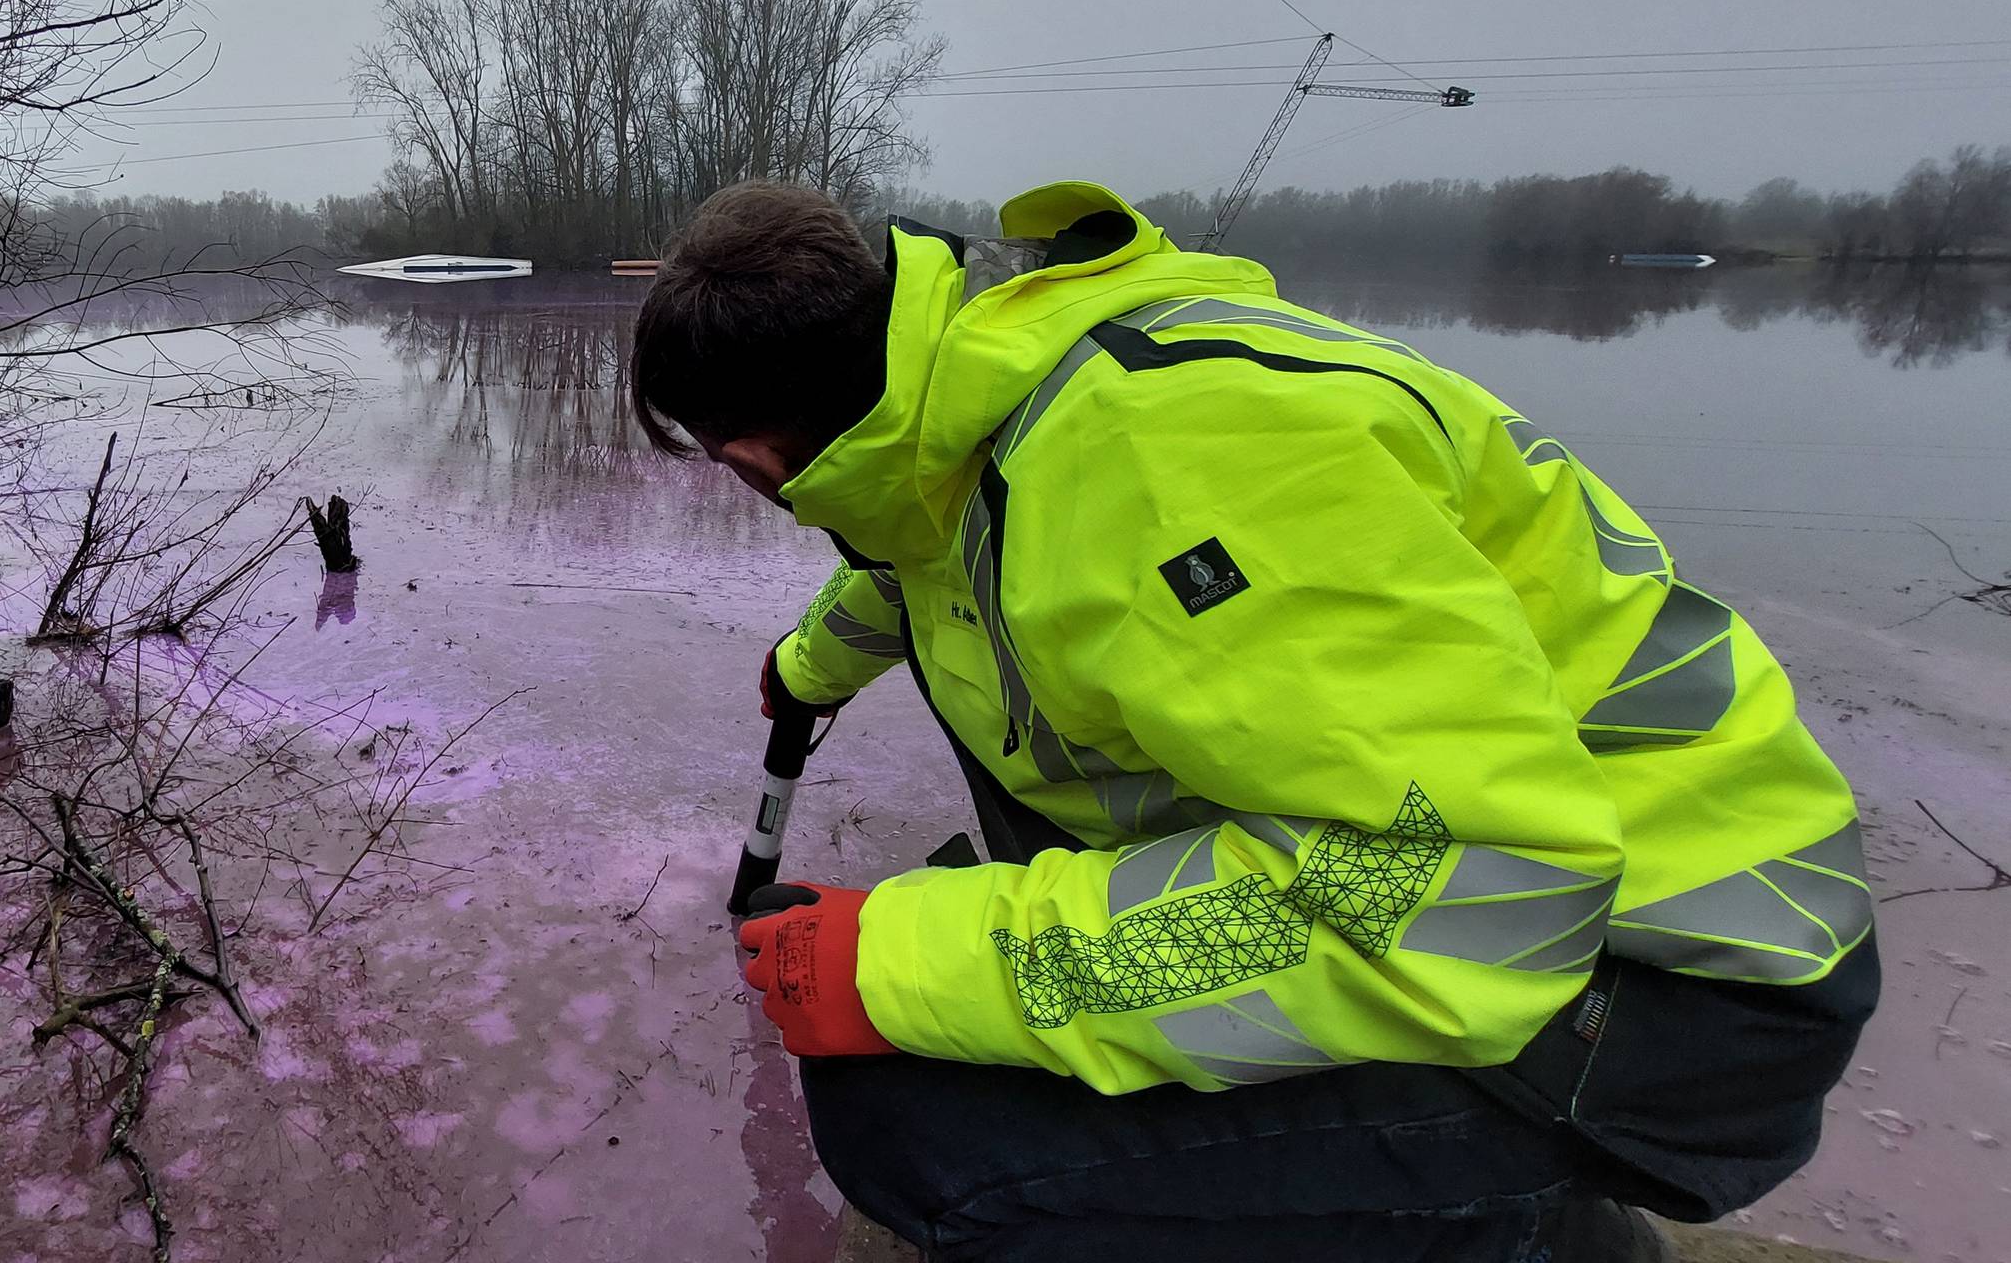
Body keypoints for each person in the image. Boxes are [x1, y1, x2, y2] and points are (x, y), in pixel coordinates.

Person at [630, 180, 1879, 1262]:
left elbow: (1458, 890)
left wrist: (898, 958)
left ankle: (1523, 1233)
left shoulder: (1167, 459)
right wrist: (807, 668)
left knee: (922, 1133)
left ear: (749, 454)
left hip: (1662, 987)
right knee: (959, 947)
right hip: (1550, 904)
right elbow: (916, 554)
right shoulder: (984, 389)